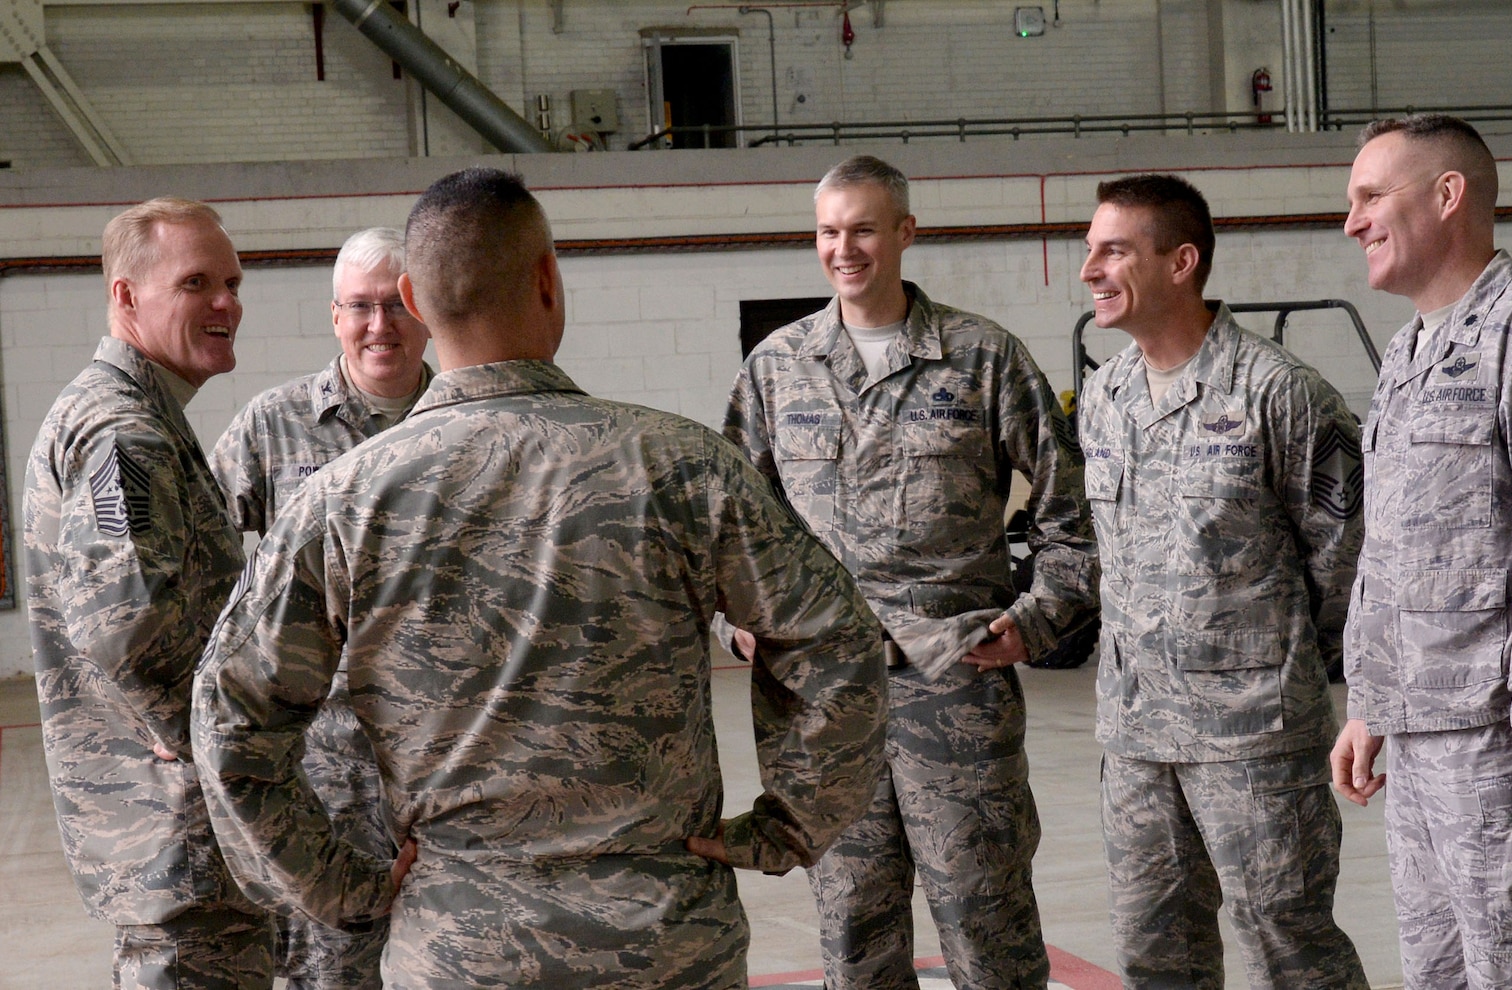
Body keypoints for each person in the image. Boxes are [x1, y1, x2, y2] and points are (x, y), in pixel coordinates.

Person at [191, 167, 888, 990]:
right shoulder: (683, 467)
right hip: (664, 944)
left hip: (458, 949)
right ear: (549, 281)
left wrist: (339, 884)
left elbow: (232, 714)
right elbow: (839, 640)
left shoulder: (345, 500)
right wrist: (789, 822)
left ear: (411, 300)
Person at [723, 154, 1096, 989]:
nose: (843, 248)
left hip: (954, 688)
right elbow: (731, 529)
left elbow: (1075, 517)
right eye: (828, 231)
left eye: (861, 228)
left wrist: (1034, 624)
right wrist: (736, 619)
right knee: (854, 931)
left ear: (903, 233)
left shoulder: (982, 358)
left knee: (987, 922)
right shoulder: (777, 367)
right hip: (824, 701)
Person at [1333, 114, 1512, 989]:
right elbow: (1393, 548)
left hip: (1500, 742)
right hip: (1418, 739)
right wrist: (1369, 700)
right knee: (1438, 973)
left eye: (1371, 196)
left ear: (1448, 195)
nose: (1353, 223)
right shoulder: (1410, 351)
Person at [1076, 173, 1368, 990]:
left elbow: (1345, 561)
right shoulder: (1105, 397)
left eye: (1113, 250)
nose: (1090, 269)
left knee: (1291, 951)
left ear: (1182, 262)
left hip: (1254, 741)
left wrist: (1278, 672)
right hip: (1136, 738)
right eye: (1090, 249)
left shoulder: (1282, 394)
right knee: (1153, 955)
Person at [22, 197, 274, 989]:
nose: (226, 302)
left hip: (174, 847)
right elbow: (130, 628)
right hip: (178, 842)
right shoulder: (121, 431)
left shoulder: (141, 418)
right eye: (197, 282)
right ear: (126, 297)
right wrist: (212, 743)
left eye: (232, 281)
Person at [206, 225, 434, 990]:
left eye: (399, 304)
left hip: (448, 758)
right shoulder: (274, 426)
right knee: (329, 966)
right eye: (361, 307)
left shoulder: (466, 421)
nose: (381, 326)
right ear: (334, 315)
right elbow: (194, 555)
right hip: (323, 770)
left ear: (427, 308)